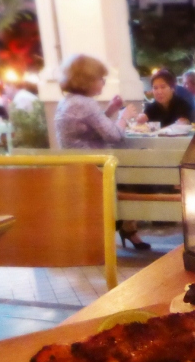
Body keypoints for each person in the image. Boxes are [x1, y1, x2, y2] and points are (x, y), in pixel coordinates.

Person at [54, 54, 150, 251]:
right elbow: (114, 136)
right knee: (137, 178)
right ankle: (127, 227)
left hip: (79, 167)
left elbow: (91, 129)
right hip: (94, 169)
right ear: (87, 80)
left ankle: (127, 229)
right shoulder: (85, 103)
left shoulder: (69, 101)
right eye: (100, 78)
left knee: (129, 177)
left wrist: (110, 111)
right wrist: (124, 116)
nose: (103, 83)